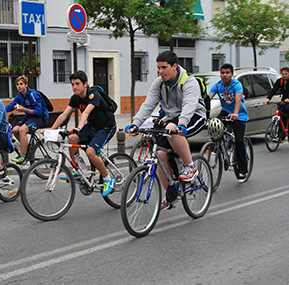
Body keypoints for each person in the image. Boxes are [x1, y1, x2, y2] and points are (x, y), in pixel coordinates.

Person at [126, 51, 206, 210]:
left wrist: (182, 123)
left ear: (175, 66)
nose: (160, 71)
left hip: (193, 117)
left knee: (171, 129)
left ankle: (190, 166)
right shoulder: (159, 83)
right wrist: (136, 123)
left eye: (164, 67)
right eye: (158, 68)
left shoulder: (189, 82)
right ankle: (171, 192)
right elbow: (148, 105)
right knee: (160, 154)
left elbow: (190, 105)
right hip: (172, 118)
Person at [43, 70, 117, 197]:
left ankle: (108, 179)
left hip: (106, 127)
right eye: (72, 84)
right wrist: (51, 129)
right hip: (92, 126)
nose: (74, 87)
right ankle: (79, 168)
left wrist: (79, 127)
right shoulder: (75, 98)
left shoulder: (93, 95)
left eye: (77, 84)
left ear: (85, 84)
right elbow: (64, 115)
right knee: (72, 139)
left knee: (90, 152)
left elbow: (86, 113)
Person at [209, 63, 249, 182]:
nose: (224, 75)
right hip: (226, 112)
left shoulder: (237, 85)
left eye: (227, 73)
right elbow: (208, 98)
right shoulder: (217, 86)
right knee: (215, 126)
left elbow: (238, 99)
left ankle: (242, 170)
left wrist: (236, 113)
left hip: (239, 114)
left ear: (231, 74)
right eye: (222, 73)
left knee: (239, 141)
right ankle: (219, 147)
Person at [4, 75, 49, 163]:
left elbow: (39, 111)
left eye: (21, 84)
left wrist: (24, 109)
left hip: (40, 118)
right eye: (17, 84)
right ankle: (28, 149)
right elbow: (11, 106)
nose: (19, 86)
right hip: (30, 117)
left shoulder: (33, 94)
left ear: (26, 85)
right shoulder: (20, 95)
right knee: (14, 130)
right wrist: (0, 110)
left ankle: (23, 156)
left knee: (22, 130)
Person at [263, 66, 289, 132]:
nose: (284, 75)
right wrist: (268, 99)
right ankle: (280, 134)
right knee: (281, 114)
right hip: (284, 99)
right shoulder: (280, 81)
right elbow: (274, 90)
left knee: (287, 109)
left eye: (286, 74)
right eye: (283, 74)